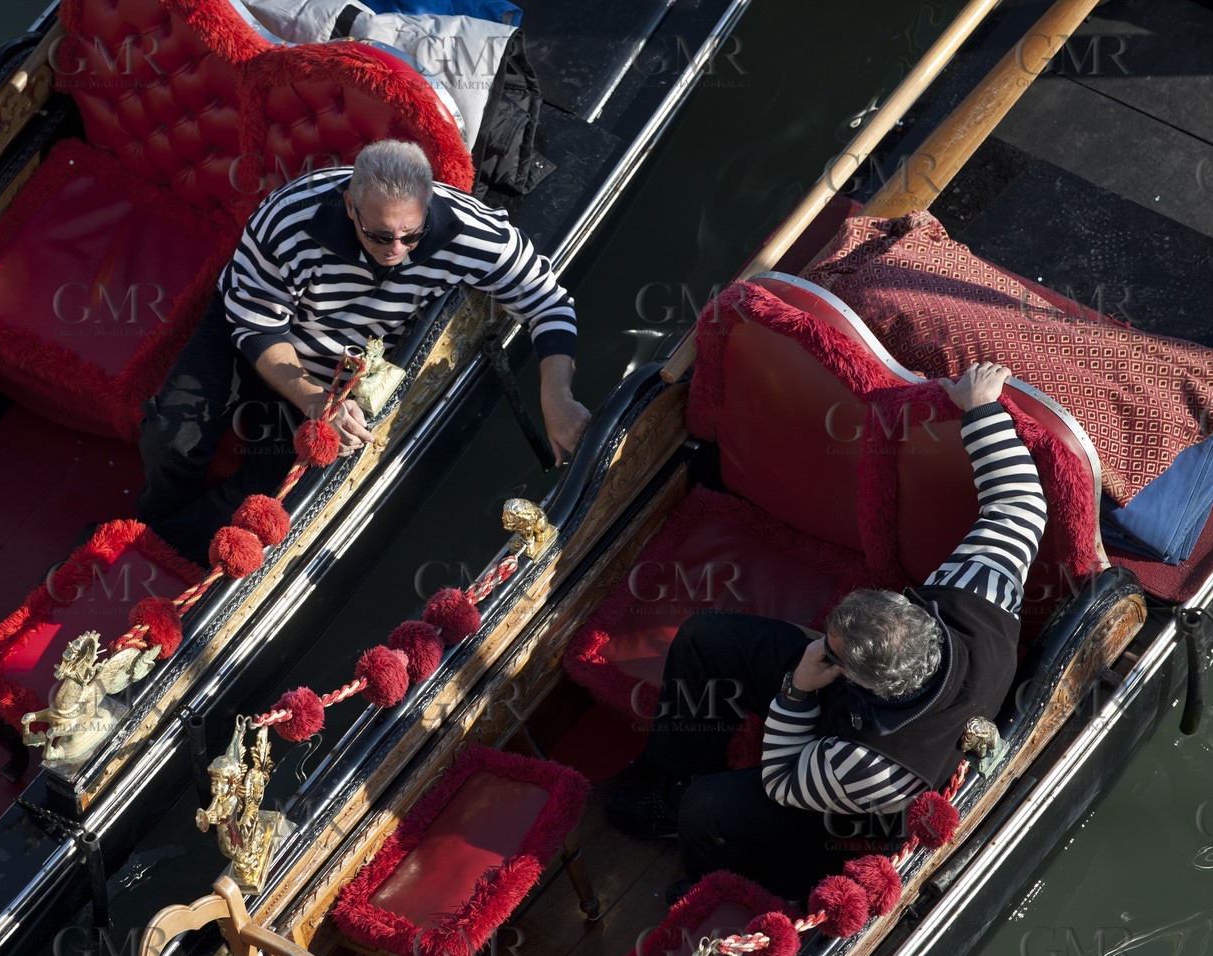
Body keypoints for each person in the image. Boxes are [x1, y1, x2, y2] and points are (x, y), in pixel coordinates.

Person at [606, 363, 1046, 898]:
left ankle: (715, 885)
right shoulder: (979, 589)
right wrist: (981, 409)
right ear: (913, 613)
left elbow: (782, 780)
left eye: (830, 653)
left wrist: (797, 692)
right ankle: (669, 774)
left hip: (851, 811)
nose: (818, 646)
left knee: (708, 807)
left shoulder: (871, 768)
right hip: (861, 704)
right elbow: (1019, 504)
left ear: (860, 678)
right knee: (705, 638)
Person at [136, 139, 590, 562]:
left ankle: (161, 546)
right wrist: (316, 400)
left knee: (264, 501)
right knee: (171, 438)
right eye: (380, 236)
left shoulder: (473, 233)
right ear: (351, 206)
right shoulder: (289, 218)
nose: (397, 251)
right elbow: (257, 328)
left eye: (412, 236)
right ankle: (152, 520)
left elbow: (549, 303)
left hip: (338, 373)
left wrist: (556, 395)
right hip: (256, 334)